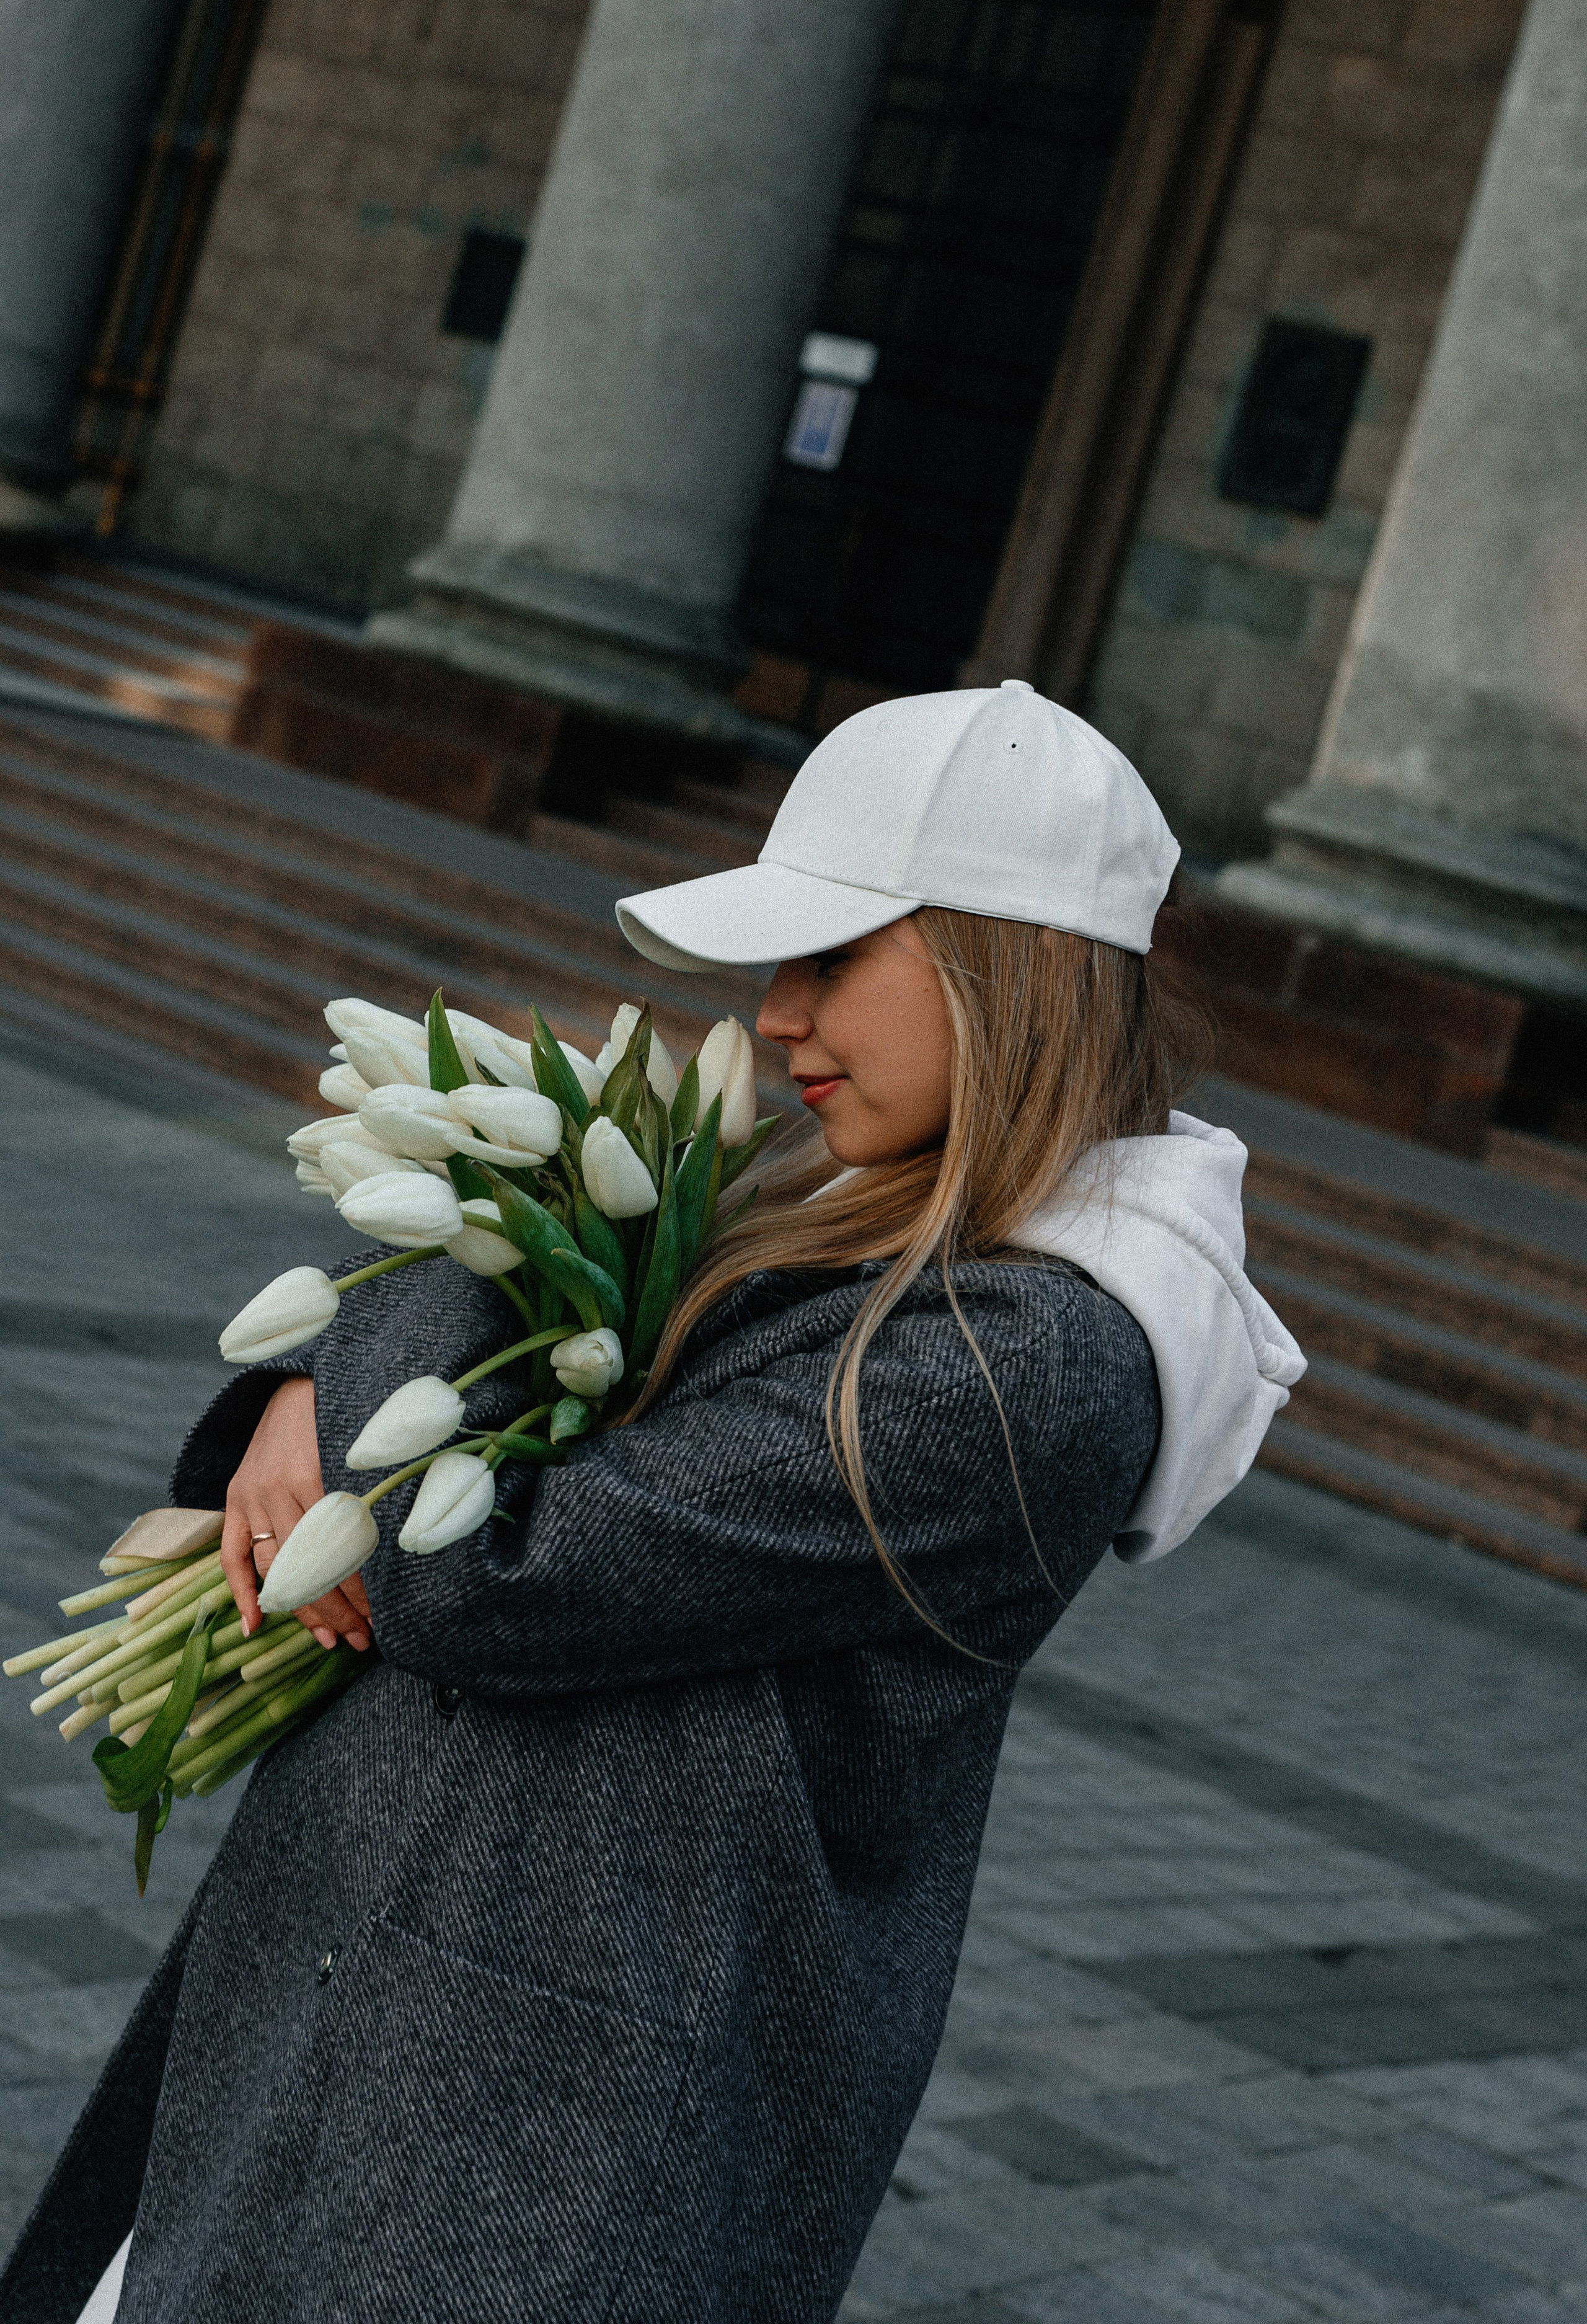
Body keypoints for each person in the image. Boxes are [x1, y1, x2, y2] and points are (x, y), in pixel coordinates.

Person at [10, 681, 1302, 2324]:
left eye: (834, 960)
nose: (774, 1017)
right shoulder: (835, 1205)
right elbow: (481, 1334)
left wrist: (348, 1394)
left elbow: (502, 1566)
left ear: (1007, 967)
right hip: (402, 2030)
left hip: (540, 2140)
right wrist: (313, 1388)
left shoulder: (1034, 1367)